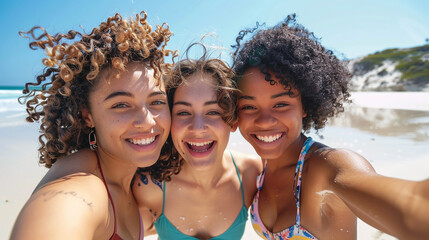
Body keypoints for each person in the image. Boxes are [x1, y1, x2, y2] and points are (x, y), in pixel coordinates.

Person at [232, 14, 429, 240]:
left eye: (281, 104)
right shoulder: (258, 171)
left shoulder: (326, 167)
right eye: (248, 106)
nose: (265, 120)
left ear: (304, 106)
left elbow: (412, 211)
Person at [10, 12, 180, 240]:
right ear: (87, 115)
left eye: (156, 101)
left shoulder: (136, 185)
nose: (147, 121)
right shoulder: (82, 188)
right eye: (121, 104)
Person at [133, 44, 263, 239]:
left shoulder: (252, 174)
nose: (198, 127)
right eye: (183, 112)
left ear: (233, 120)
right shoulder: (149, 187)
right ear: (169, 121)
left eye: (213, 112)